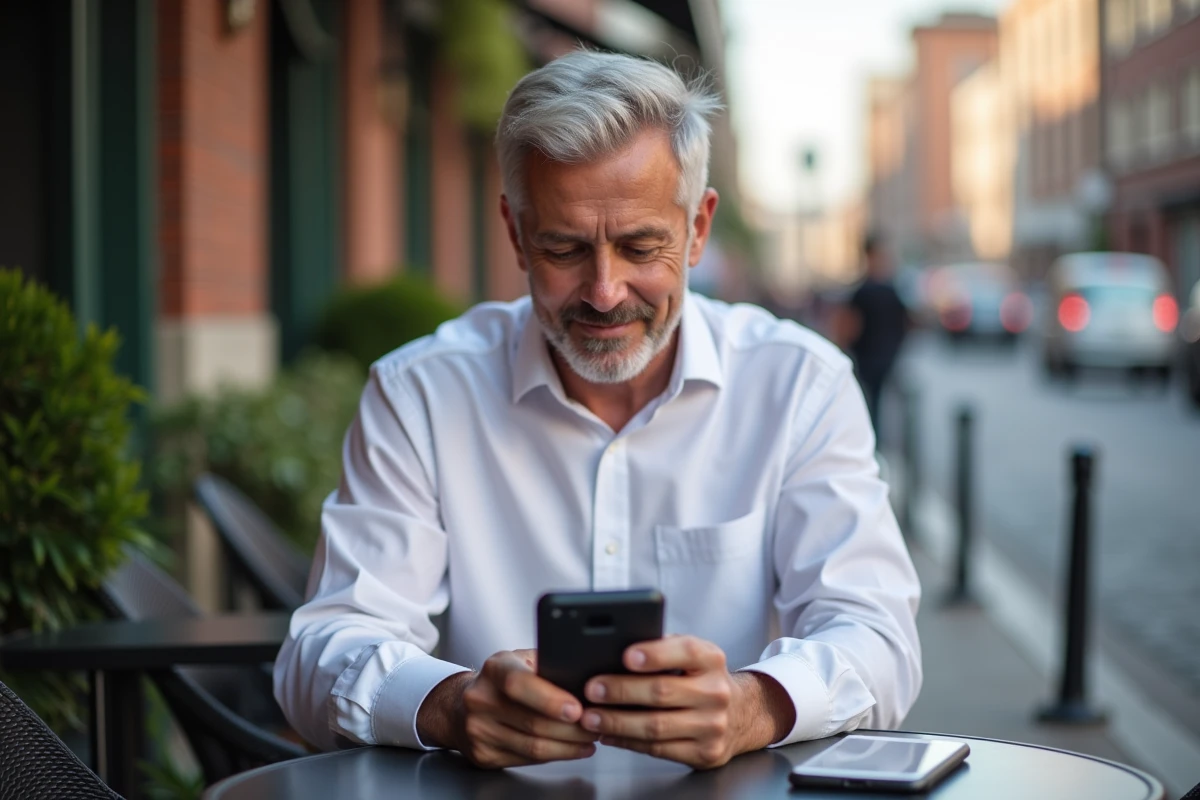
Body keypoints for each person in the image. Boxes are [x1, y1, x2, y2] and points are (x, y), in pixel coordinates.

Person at [274, 51, 921, 772]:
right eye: (564, 249)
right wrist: (449, 705)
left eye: (642, 246)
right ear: (516, 234)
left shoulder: (800, 384)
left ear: (699, 229)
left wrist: (755, 704)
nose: (605, 291)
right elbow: (321, 651)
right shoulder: (419, 394)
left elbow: (876, 633)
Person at [835, 233, 908, 441]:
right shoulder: (865, 291)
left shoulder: (890, 289)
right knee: (869, 407)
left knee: (875, 408)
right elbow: (848, 326)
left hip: (882, 358)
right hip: (867, 359)